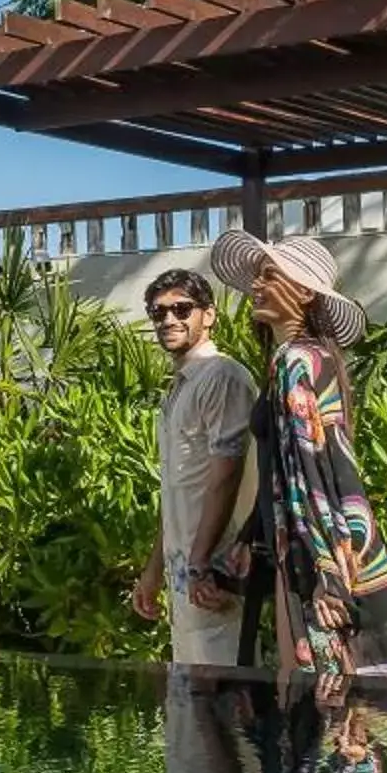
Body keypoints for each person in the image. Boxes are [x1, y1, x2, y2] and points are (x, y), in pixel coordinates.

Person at [207, 231, 387, 681]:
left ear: (304, 292)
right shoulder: (313, 358)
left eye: (269, 275)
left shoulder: (296, 363)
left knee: (326, 702)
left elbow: (314, 472)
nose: (255, 285)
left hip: (315, 552)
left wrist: (326, 575)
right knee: (333, 700)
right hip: (313, 545)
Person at [128, 269, 258, 666]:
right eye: (158, 312)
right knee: (197, 715)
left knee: (225, 710)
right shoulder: (180, 387)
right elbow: (178, 491)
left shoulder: (222, 376)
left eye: (182, 309)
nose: (169, 320)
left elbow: (227, 473)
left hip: (217, 577)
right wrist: (153, 572)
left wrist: (203, 565)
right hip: (186, 579)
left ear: (209, 315)